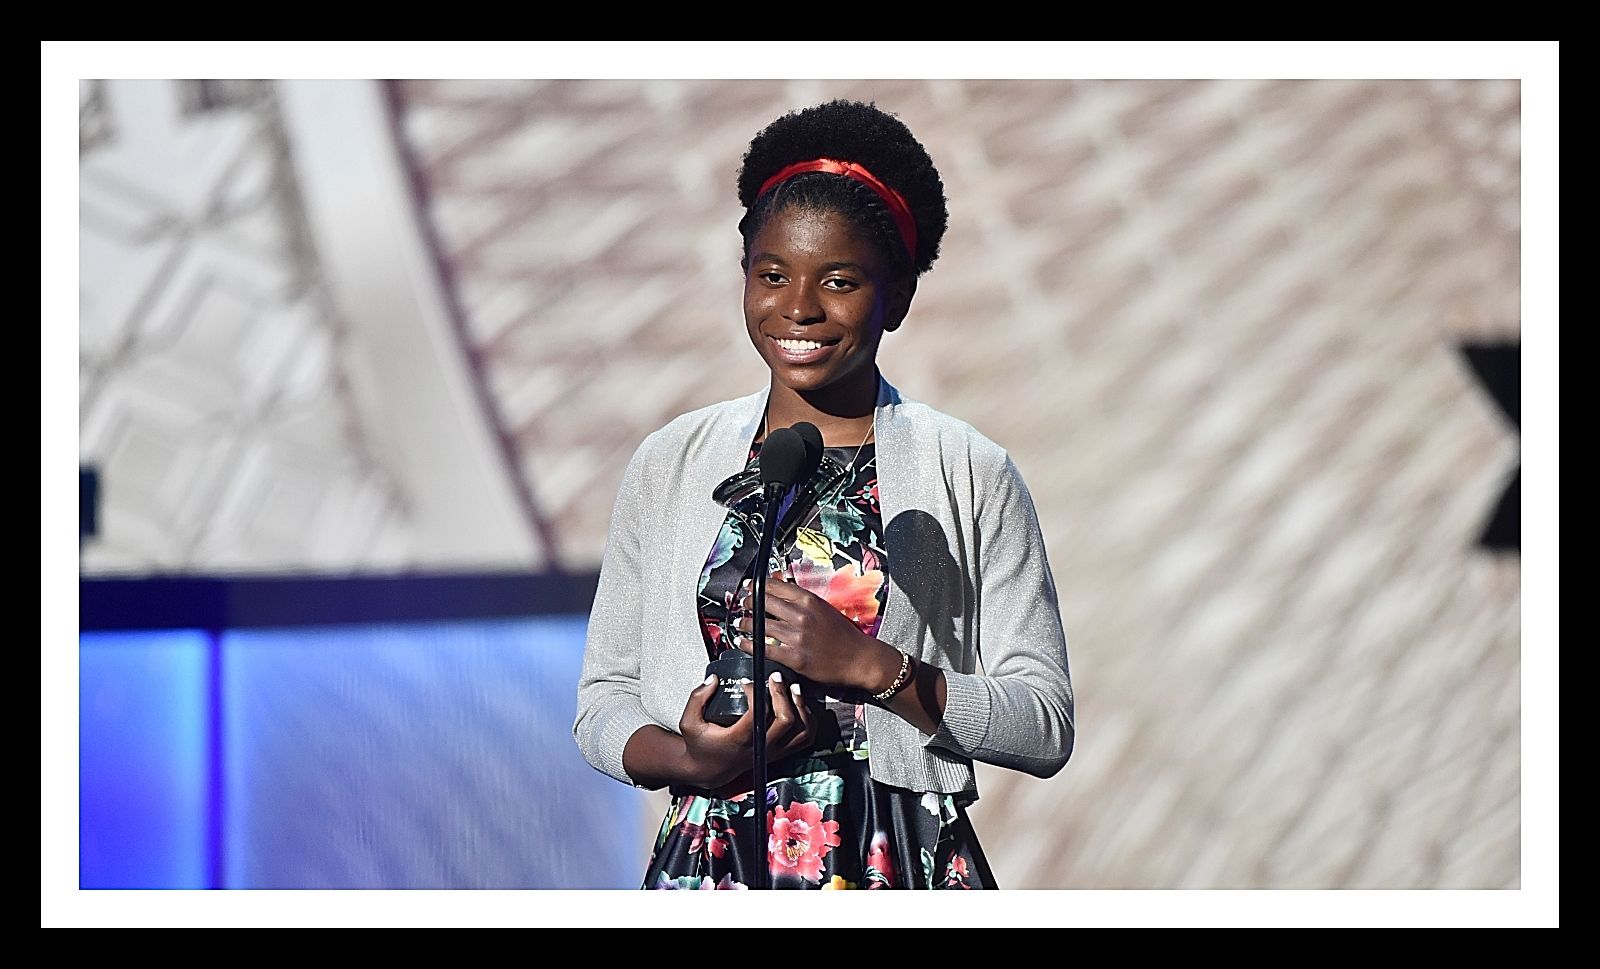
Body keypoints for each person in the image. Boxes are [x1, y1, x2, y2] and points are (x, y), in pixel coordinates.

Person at [573, 99, 1074, 890]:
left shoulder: (968, 468)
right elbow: (603, 701)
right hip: (715, 857)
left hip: (894, 856)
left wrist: (879, 669)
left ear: (898, 297)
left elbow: (1045, 723)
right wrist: (684, 756)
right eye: (772, 275)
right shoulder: (671, 461)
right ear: (745, 275)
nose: (799, 308)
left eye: (838, 281)